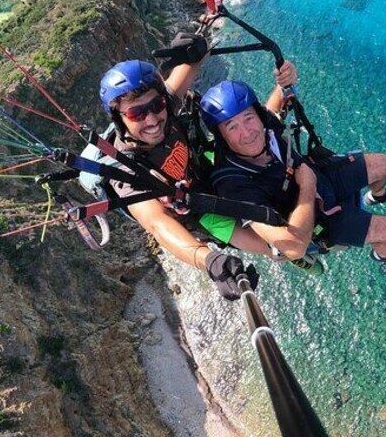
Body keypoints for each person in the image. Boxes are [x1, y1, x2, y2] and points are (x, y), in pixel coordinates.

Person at [96, 33, 300, 299]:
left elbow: (195, 59)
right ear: (120, 118)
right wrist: (210, 261)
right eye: (137, 113)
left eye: (156, 105)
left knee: (250, 129)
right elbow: (157, 223)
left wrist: (195, 45)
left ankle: (283, 93)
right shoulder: (125, 169)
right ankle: (287, 252)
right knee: (280, 246)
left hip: (209, 170)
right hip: (200, 210)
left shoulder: (166, 104)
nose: (152, 119)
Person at [199, 78, 386, 265]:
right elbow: (294, 248)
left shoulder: (267, 126)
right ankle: (385, 257)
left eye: (248, 118)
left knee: (383, 163)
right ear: (222, 138)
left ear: (258, 116)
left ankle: (377, 196)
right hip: (314, 221)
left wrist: (284, 81)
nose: (247, 133)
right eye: (232, 127)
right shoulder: (233, 185)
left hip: (320, 177)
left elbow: (275, 107)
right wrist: (307, 185)